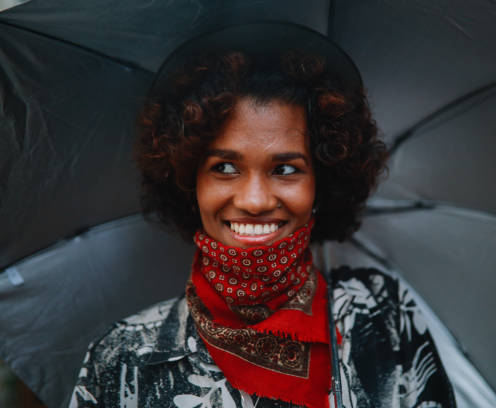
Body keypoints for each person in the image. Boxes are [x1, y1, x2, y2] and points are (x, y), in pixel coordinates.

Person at [69, 23, 455, 408]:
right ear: (189, 182)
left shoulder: (385, 318)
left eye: (285, 169)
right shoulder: (122, 359)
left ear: (322, 182)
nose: (254, 200)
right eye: (224, 167)